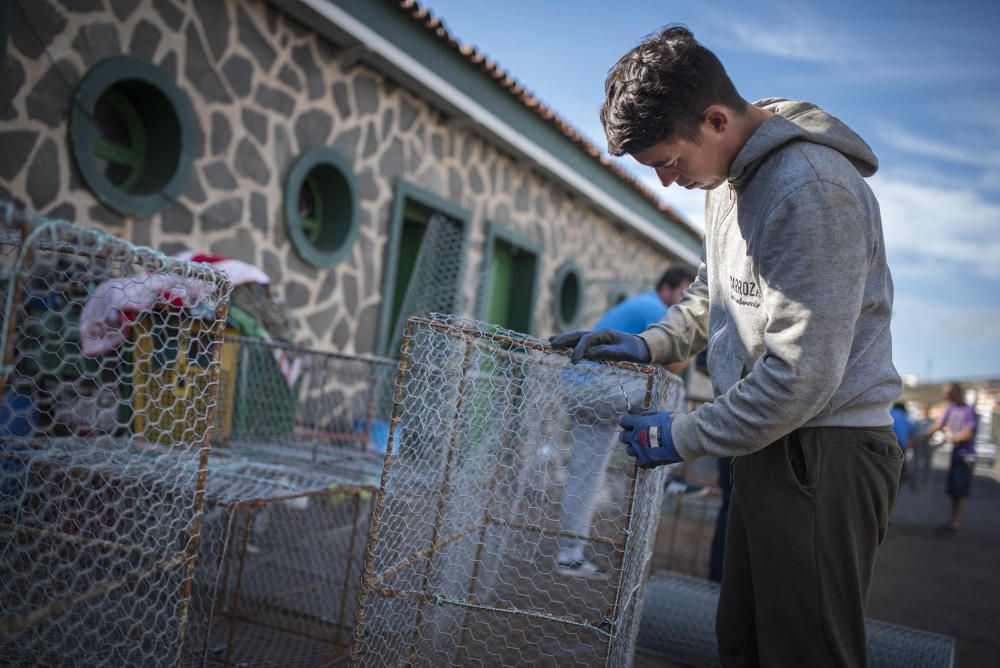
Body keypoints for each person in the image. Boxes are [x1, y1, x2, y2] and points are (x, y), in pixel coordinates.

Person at [551, 26, 902, 666]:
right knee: (741, 641)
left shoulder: (810, 191)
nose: (664, 182)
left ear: (714, 120)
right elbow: (712, 293)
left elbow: (801, 378)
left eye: (669, 162)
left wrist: (679, 436)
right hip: (767, 440)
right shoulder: (727, 184)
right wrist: (648, 343)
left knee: (803, 652)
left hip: (824, 453)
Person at [555, 266, 698, 579]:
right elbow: (672, 364)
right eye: (685, 292)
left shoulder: (643, 305)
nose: (689, 301)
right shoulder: (655, 308)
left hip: (582, 391)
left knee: (585, 476)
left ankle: (569, 555)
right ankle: (670, 472)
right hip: (598, 388)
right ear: (668, 289)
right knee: (672, 387)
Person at [926, 383, 978, 533]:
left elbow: (968, 433)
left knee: (960, 491)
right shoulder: (951, 408)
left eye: (948, 393)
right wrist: (922, 438)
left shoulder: (969, 410)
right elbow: (939, 424)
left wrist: (950, 438)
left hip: (965, 456)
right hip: (956, 454)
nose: (945, 396)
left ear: (957, 393)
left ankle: (955, 523)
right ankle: (953, 521)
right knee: (954, 491)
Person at [910, 403, 936, 490]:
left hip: (927, 446)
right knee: (916, 465)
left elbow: (934, 435)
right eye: (923, 410)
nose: (925, 412)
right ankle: (915, 482)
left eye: (926, 410)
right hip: (918, 445)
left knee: (927, 466)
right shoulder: (917, 422)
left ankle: (925, 483)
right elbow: (913, 434)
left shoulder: (932, 422)